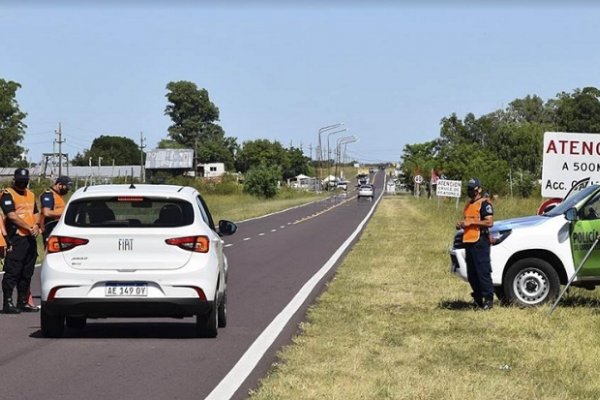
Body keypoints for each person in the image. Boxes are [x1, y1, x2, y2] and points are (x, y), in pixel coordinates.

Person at [0, 168, 41, 314]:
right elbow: (11, 215)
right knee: (13, 270)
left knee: (27, 271)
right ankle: (8, 302)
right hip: (15, 237)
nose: (22, 183)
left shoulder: (30, 194)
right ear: (14, 180)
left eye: (25, 180)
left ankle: (22, 301)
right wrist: (28, 227)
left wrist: (36, 225)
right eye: (20, 180)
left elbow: (36, 212)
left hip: (30, 238)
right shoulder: (7, 194)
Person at [456, 178, 494, 310]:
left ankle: (488, 299)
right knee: (472, 274)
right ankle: (478, 298)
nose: (470, 191)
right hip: (468, 241)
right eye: (469, 189)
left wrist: (471, 223)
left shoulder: (484, 204)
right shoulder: (468, 204)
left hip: (480, 241)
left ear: (479, 189)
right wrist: (461, 224)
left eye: (472, 189)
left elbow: (489, 222)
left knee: (482, 271)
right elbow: (468, 221)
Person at [39, 176, 72, 246]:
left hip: (57, 229)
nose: (68, 190)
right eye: (66, 187)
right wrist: (65, 214)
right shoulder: (48, 195)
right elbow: (46, 212)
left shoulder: (58, 196)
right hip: (50, 229)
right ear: (59, 185)